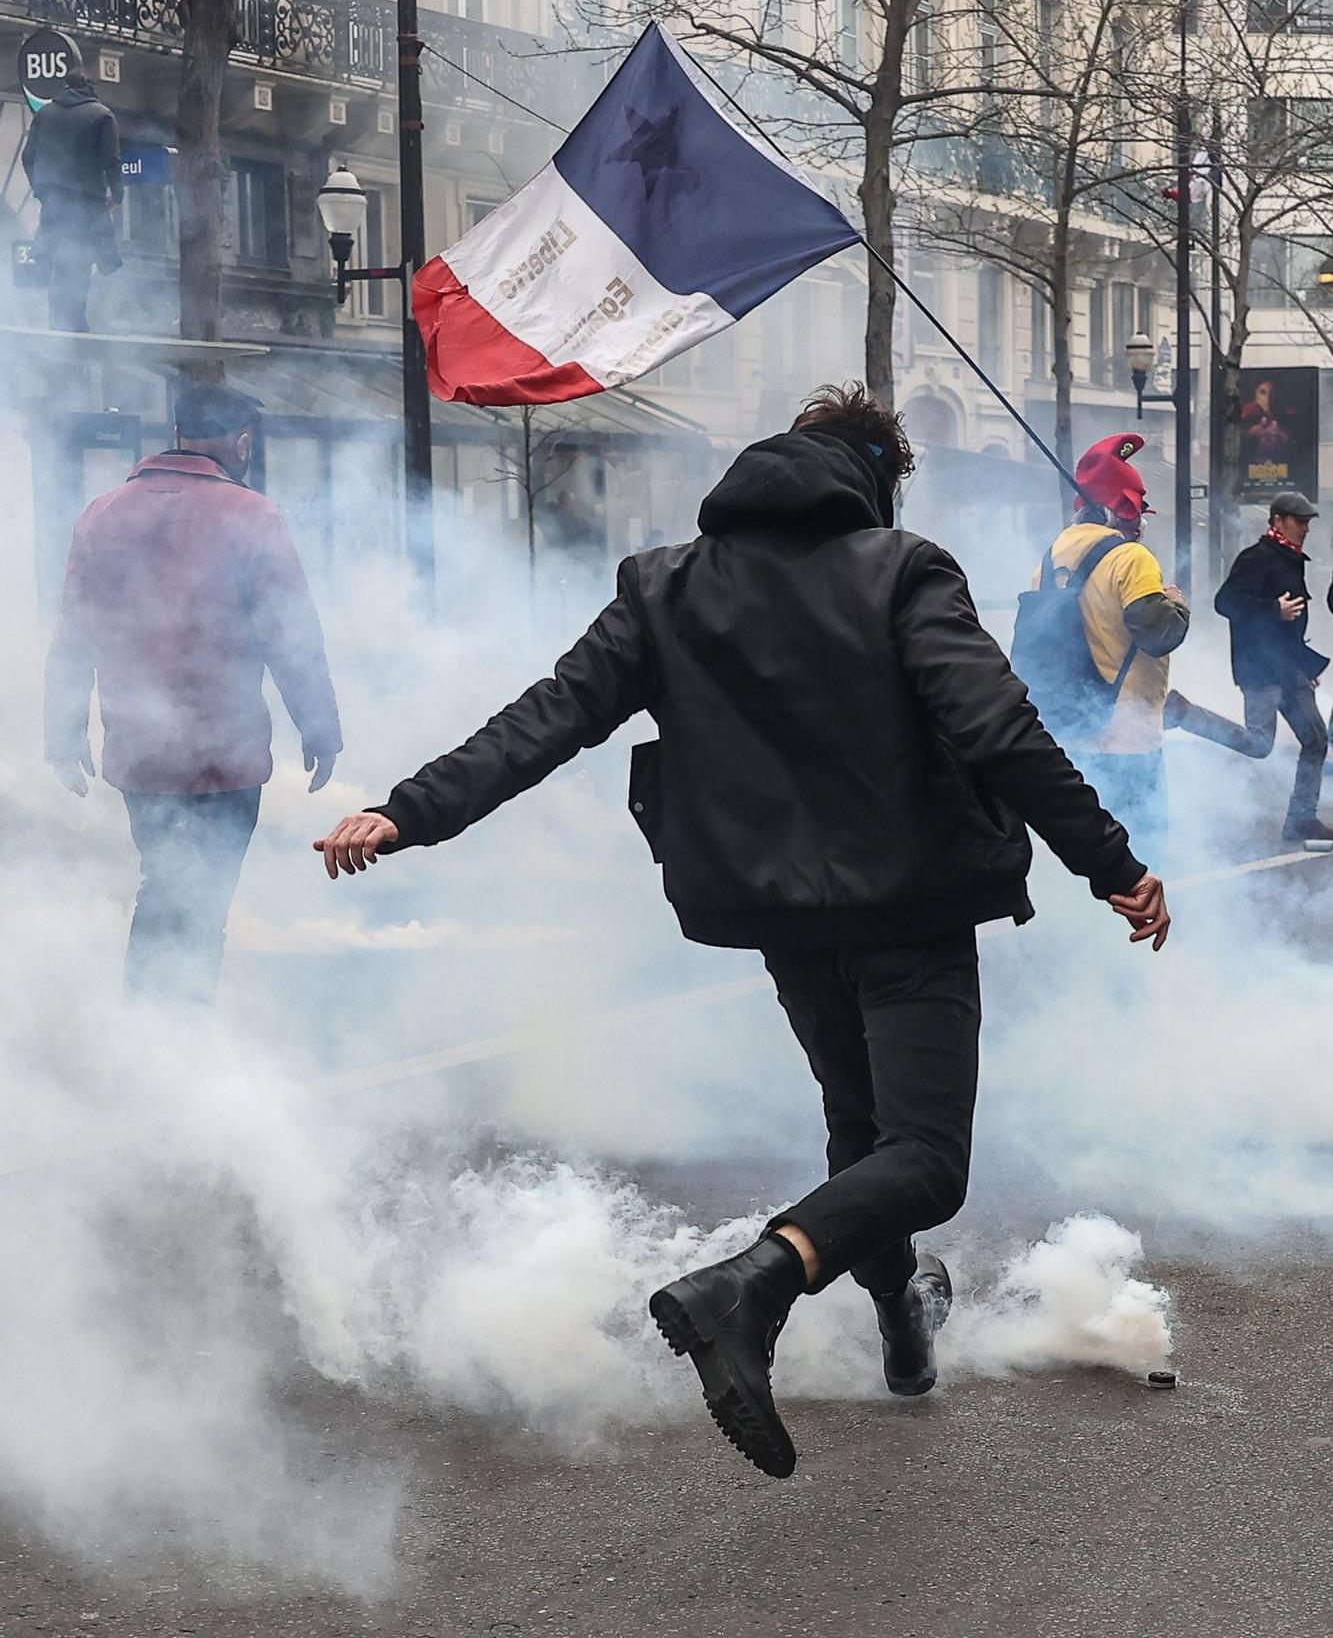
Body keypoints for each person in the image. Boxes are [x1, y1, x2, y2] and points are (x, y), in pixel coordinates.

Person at [315, 383, 1169, 1481]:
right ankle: (752, 1284)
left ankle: (904, 1330)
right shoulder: (902, 569)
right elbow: (995, 726)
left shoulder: (665, 584)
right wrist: (1113, 861)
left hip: (771, 905)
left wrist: (409, 807)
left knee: (861, 1132)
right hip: (907, 903)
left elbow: (550, 715)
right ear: (876, 476)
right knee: (925, 1159)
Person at [45, 382, 342, 1004]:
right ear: (240, 444)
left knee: (165, 881)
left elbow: (77, 631)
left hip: (140, 752)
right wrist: (319, 728)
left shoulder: (102, 513)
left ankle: (157, 1031)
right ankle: (175, 1032)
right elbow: (291, 634)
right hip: (224, 755)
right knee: (202, 898)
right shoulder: (253, 516)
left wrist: (63, 731)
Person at [1027, 433, 1189, 849]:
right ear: (1115, 511)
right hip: (1128, 740)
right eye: (1134, 513)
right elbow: (1158, 634)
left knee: (1095, 859)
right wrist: (1176, 604)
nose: (1140, 524)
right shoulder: (1130, 558)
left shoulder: (1050, 557)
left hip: (1072, 736)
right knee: (1145, 857)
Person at [1166, 491, 1330, 844]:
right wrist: (1274, 609)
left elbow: (1290, 626)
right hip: (1261, 670)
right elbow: (1225, 601)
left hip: (1287, 669)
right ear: (1278, 521)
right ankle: (1185, 714)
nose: (1305, 528)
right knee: (1259, 743)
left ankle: (1301, 820)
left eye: (1307, 522)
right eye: (1299, 521)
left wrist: (1303, 665)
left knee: (1316, 739)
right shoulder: (1257, 557)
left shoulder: (1290, 558)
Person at [21, 67, 123, 333]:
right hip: (87, 203)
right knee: (81, 263)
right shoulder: (102, 115)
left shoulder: (44, 114)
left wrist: (41, 189)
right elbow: (111, 160)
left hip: (54, 205)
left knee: (57, 262)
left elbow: (27, 156)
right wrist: (117, 194)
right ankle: (75, 328)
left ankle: (59, 325)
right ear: (90, 87)